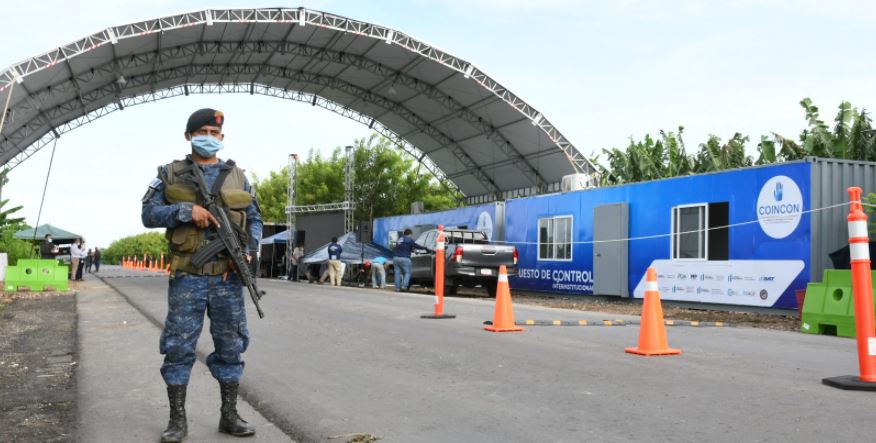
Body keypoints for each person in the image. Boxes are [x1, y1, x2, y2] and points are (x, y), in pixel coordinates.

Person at [141, 108, 263, 442]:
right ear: (189, 135)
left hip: (228, 277)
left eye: (216, 132)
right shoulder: (169, 174)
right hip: (188, 276)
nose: (210, 136)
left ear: (222, 138)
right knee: (179, 346)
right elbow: (148, 214)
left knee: (231, 345)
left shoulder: (238, 175)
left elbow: (254, 217)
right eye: (204, 131)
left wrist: (250, 251)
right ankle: (177, 421)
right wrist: (183, 210)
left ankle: (229, 415)